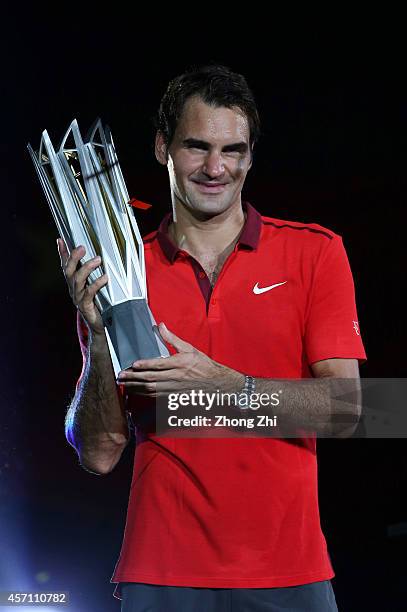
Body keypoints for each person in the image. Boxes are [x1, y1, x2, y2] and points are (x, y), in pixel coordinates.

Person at [59, 65, 366, 612]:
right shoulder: (125, 272)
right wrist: (99, 338)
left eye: (233, 150)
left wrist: (225, 385)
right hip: (161, 572)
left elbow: (348, 411)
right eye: (196, 147)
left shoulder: (315, 253)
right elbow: (99, 454)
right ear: (162, 147)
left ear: (250, 156)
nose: (215, 168)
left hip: (288, 573)